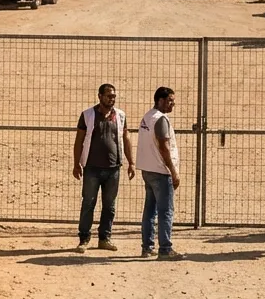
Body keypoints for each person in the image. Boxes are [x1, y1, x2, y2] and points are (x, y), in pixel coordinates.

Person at [73, 84, 135, 252]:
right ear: (99, 96)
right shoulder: (87, 115)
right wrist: (76, 163)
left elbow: (126, 138)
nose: (111, 99)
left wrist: (131, 162)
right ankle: (84, 238)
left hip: (113, 169)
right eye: (108, 96)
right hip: (92, 168)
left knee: (110, 205)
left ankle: (104, 238)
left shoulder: (120, 116)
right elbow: (79, 140)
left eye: (113, 96)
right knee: (88, 203)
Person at [138, 87, 183, 260]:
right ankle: (165, 248)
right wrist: (173, 171)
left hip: (148, 169)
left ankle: (147, 247)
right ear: (160, 100)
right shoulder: (161, 119)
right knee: (166, 211)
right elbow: (164, 147)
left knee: (150, 210)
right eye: (170, 100)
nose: (173, 103)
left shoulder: (147, 116)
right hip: (160, 171)